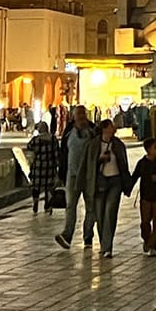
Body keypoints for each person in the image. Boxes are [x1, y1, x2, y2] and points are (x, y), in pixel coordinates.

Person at [56, 106, 101, 250]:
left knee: (91, 207)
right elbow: (63, 152)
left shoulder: (93, 131)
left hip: (89, 175)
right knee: (70, 206)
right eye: (78, 114)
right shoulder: (69, 131)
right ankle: (67, 235)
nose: (81, 116)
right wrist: (61, 173)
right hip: (72, 175)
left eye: (83, 113)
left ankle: (88, 236)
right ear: (73, 116)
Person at [91, 118, 132, 258]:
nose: (113, 128)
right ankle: (103, 243)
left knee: (110, 212)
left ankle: (108, 246)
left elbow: (124, 164)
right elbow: (89, 164)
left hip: (115, 180)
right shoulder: (94, 145)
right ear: (104, 129)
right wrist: (100, 159)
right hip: (99, 182)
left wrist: (127, 182)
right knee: (100, 214)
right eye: (110, 127)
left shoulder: (118, 145)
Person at [27, 118, 60, 214]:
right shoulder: (53, 139)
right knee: (49, 187)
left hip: (38, 166)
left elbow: (29, 147)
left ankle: (35, 201)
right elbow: (56, 153)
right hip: (50, 166)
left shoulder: (36, 140)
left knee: (36, 186)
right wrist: (57, 165)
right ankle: (48, 205)